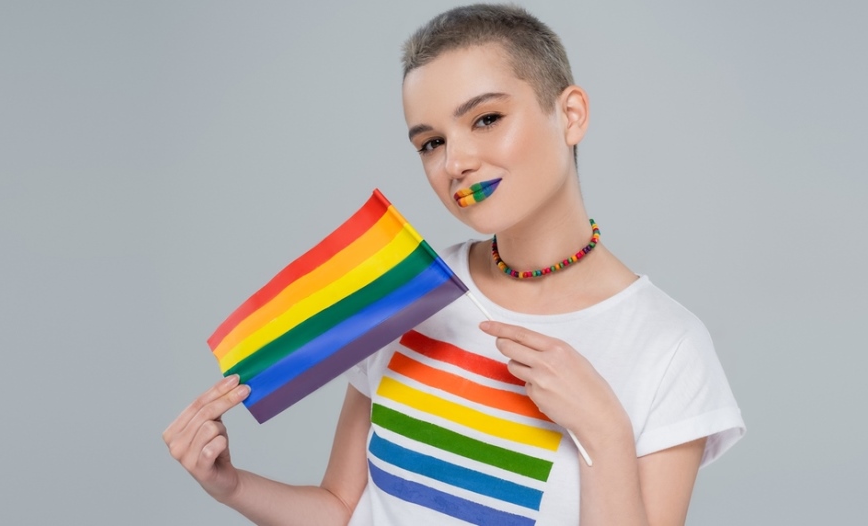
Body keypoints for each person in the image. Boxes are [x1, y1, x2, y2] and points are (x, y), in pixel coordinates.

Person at [162, 4, 745, 525]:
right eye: (430, 142)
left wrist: (605, 432)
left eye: (486, 118)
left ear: (570, 115)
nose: (456, 161)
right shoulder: (403, 293)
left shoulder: (669, 348)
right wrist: (230, 486)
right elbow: (340, 508)